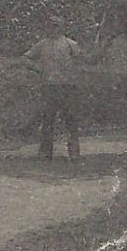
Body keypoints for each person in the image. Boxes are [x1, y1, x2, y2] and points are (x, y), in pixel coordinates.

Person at [23, 16, 84, 160]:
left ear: (62, 27)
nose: (53, 28)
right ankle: (45, 152)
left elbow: (81, 61)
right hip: (49, 87)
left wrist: (74, 74)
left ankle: (74, 152)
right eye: (51, 26)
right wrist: (36, 67)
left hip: (67, 86)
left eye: (56, 25)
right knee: (48, 120)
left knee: (70, 120)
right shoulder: (42, 44)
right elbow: (26, 57)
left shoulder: (71, 44)